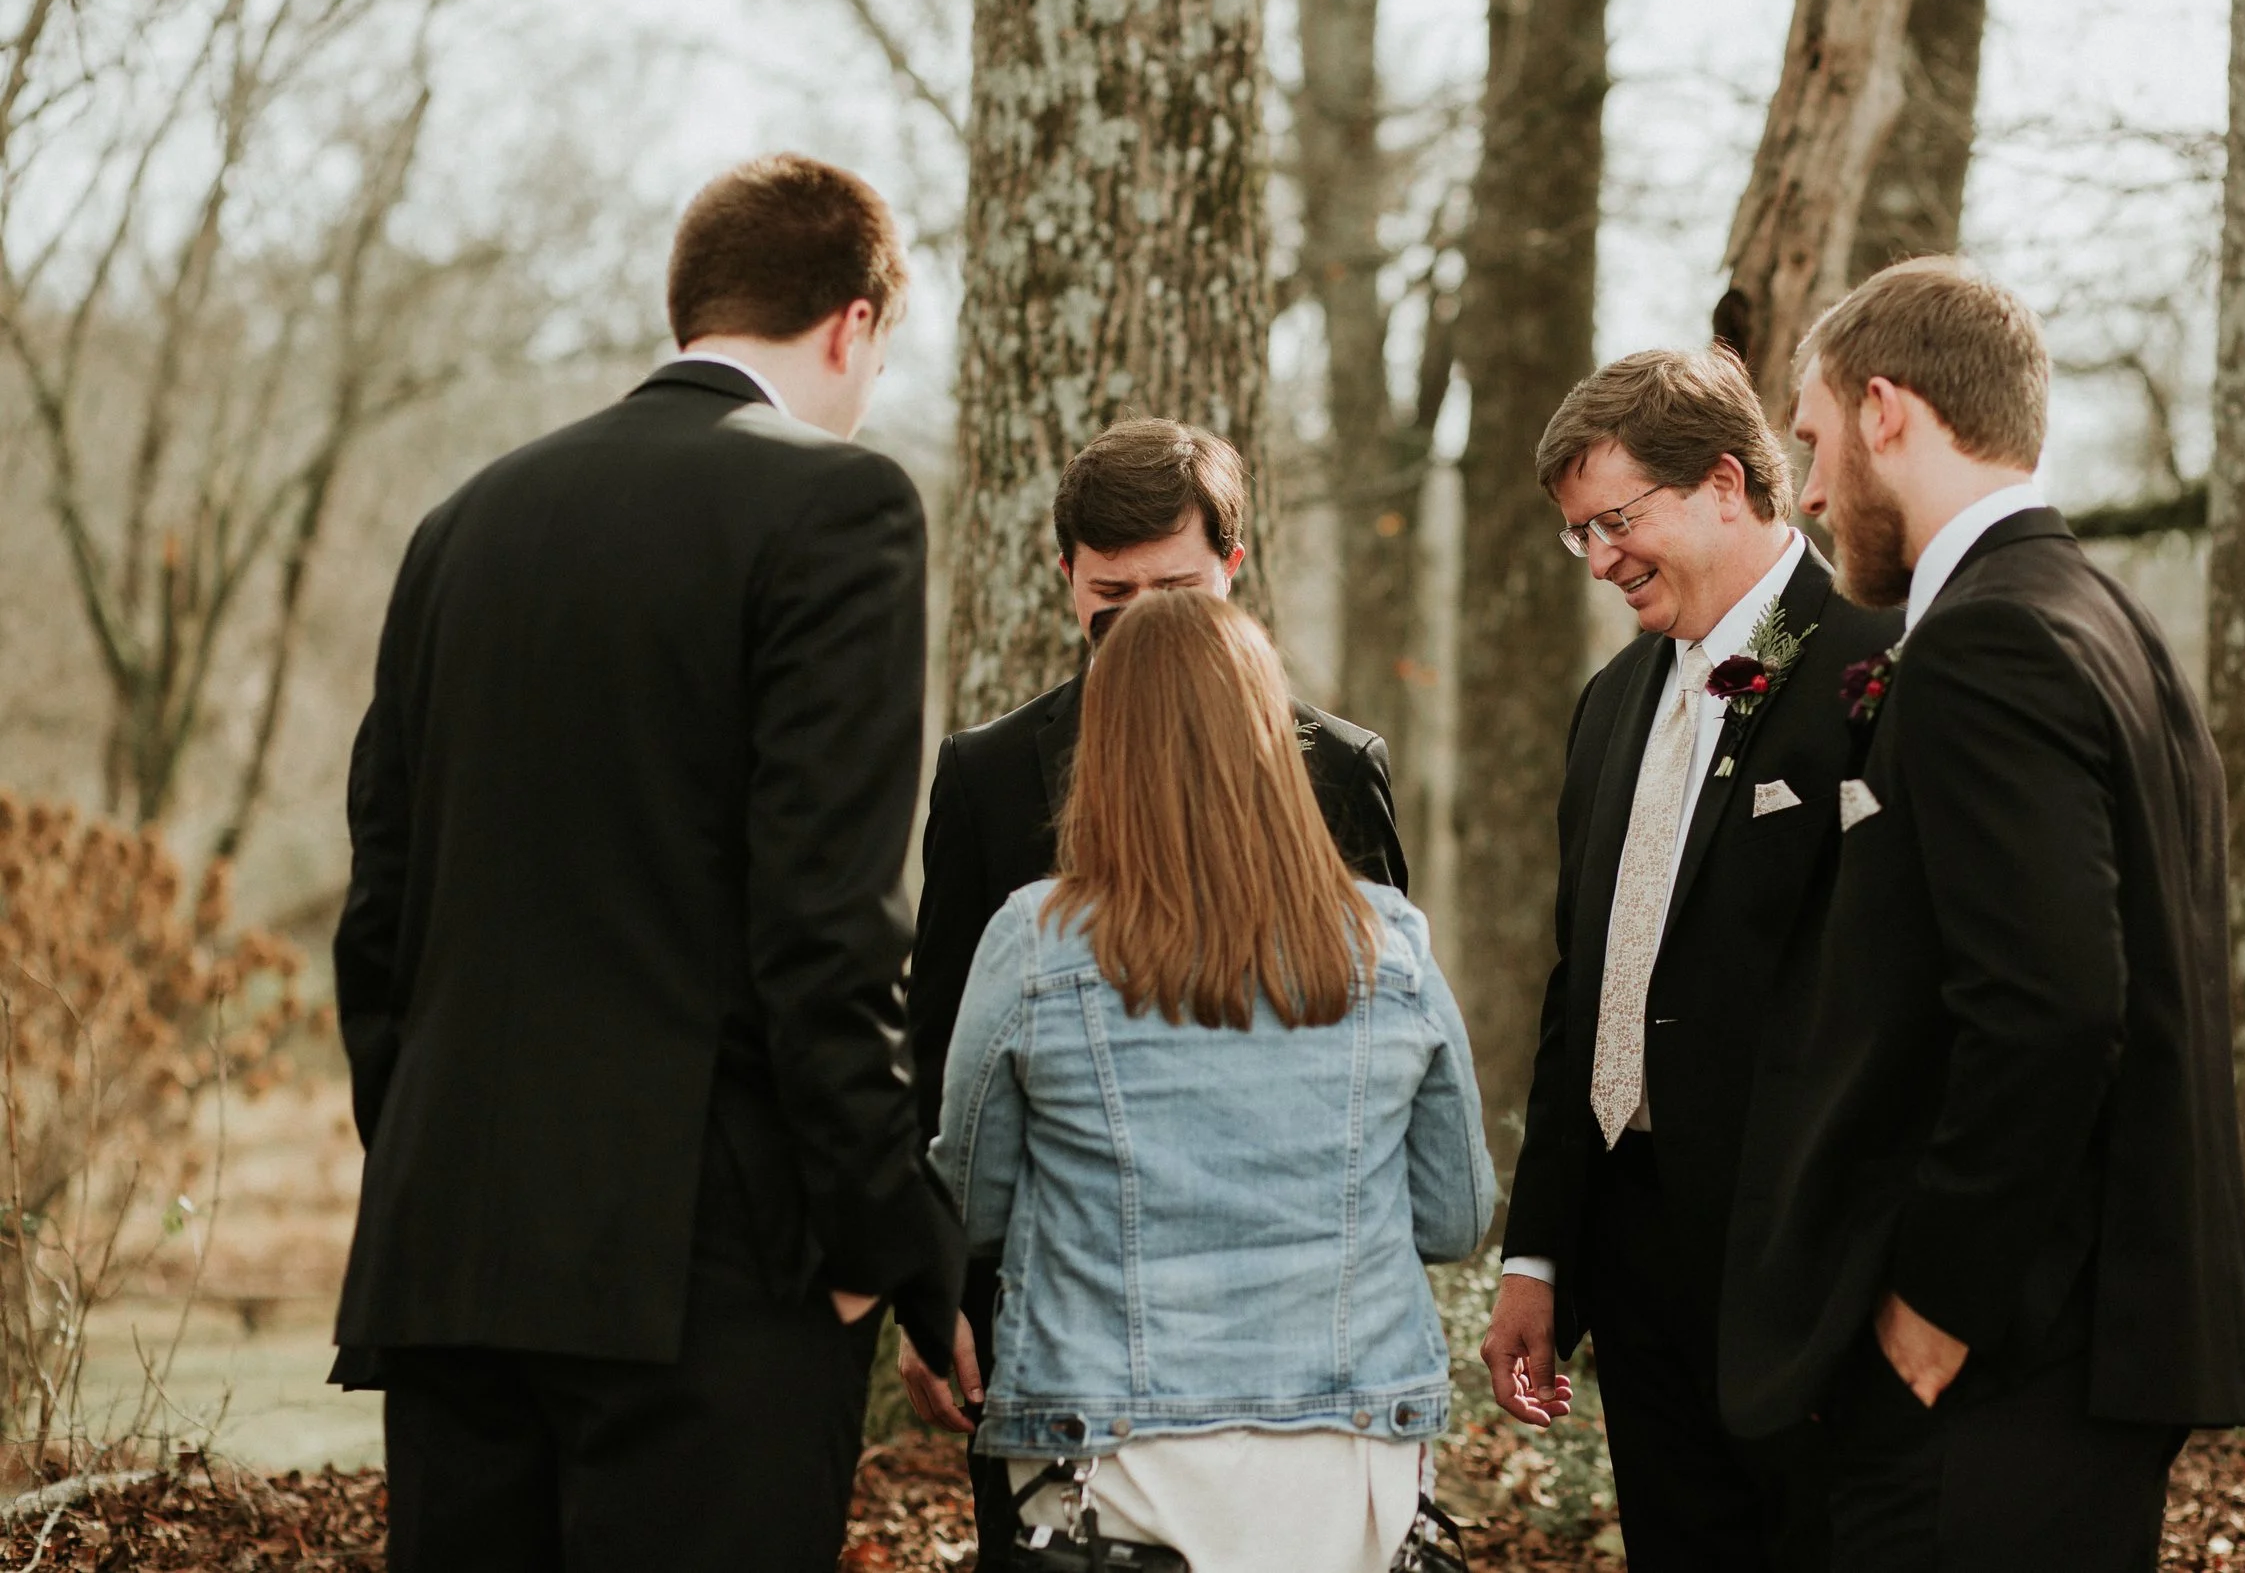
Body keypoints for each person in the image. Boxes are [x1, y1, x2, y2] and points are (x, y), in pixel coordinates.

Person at [330, 153, 965, 1572]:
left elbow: (379, 919)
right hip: (705, 1282)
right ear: (854, 323)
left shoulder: (462, 525)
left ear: (693, 305)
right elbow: (827, 928)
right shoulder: (837, 506)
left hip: (451, 1262)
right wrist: (879, 1236)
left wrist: (435, 1157)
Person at [1722, 257, 2245, 1571]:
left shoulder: (1986, 639)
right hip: (2094, 1338)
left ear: (1885, 411)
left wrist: (1934, 1305)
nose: (1808, 491)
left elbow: (2055, 1007)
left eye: (1812, 439)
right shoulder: (2108, 618)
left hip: (2003, 1362)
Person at [897, 417, 1409, 1552]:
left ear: (1234, 567)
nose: (1141, 621)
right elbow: (941, 1059)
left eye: (1174, 587)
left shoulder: (1335, 768)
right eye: (1110, 593)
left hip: (1296, 1339)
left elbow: (1379, 1053)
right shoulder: (988, 774)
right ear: (1065, 577)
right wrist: (935, 1289)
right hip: (1050, 1329)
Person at [929, 588, 1494, 1573]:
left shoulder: (1036, 941)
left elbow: (968, 1205)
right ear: (1274, 741)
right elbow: (1454, 1217)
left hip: (1108, 1451)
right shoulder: (1390, 942)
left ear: (1103, 751)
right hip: (1351, 1450)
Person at [1478, 346, 1899, 1572]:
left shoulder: (1873, 665)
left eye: (1616, 521)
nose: (1598, 558)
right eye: (1579, 533)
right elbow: (1585, 986)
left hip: (1805, 1261)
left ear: (1723, 482)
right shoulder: (1612, 702)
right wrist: (1538, 1253)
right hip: (1635, 1256)